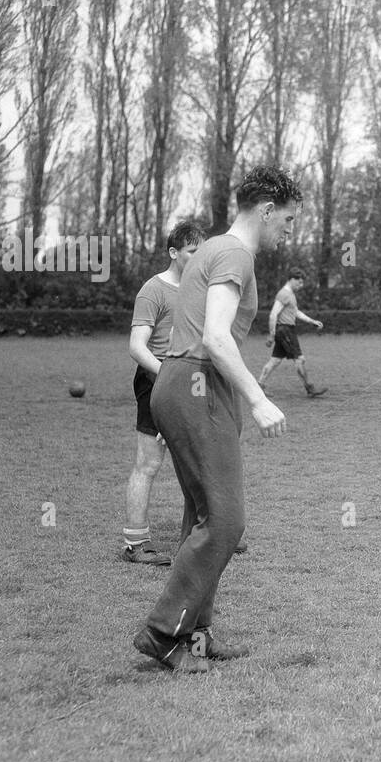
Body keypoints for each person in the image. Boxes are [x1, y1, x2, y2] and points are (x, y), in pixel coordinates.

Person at [132, 167, 297, 674]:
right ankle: (164, 632)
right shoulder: (233, 253)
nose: (288, 231)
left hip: (182, 384)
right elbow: (217, 337)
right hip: (198, 382)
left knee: (203, 515)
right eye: (287, 220)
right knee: (227, 522)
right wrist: (258, 398)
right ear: (266, 210)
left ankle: (195, 637)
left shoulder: (211, 249)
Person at [121, 219, 205, 565]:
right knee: (149, 463)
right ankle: (135, 544)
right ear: (174, 252)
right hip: (156, 382)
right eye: (192, 252)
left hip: (191, 381)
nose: (198, 258)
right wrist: (168, 376)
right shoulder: (152, 290)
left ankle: (206, 533)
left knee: (200, 458)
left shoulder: (200, 288)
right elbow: (137, 347)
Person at [258, 271, 326, 397]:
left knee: (275, 360)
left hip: (284, 330)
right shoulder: (284, 294)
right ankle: (310, 388)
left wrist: (312, 321)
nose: (301, 285)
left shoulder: (290, 295)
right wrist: (272, 335)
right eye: (299, 282)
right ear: (291, 279)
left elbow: (296, 312)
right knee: (300, 359)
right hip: (286, 331)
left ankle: (259, 385)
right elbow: (273, 315)